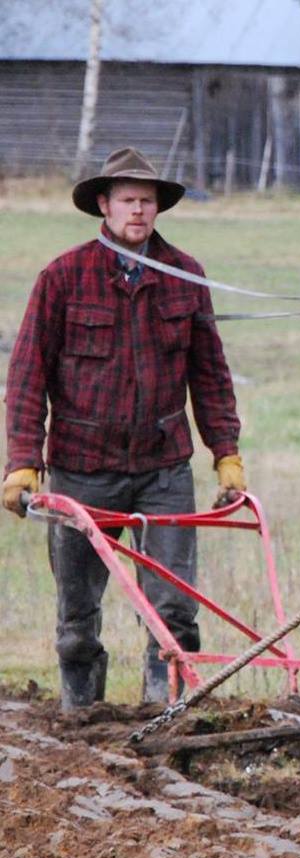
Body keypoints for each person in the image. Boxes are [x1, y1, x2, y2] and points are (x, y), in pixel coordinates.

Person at [2, 147, 246, 709]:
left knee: (174, 606)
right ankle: (81, 717)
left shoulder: (185, 275)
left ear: (158, 209)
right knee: (77, 612)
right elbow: (27, 374)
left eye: (147, 201)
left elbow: (210, 376)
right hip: (81, 469)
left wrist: (225, 453)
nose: (138, 211)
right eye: (128, 200)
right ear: (104, 207)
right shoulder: (63, 277)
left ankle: (166, 712)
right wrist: (22, 463)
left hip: (163, 468)